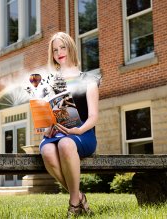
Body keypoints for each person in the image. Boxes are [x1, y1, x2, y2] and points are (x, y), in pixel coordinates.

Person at [39, 32, 99, 217]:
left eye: (62, 47)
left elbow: (94, 116)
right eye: (55, 50)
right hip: (56, 134)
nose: (59, 52)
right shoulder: (51, 83)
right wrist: (47, 127)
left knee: (66, 144)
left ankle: (74, 204)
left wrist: (78, 130)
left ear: (71, 48)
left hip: (82, 133)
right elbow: (47, 115)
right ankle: (79, 196)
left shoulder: (88, 79)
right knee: (47, 151)